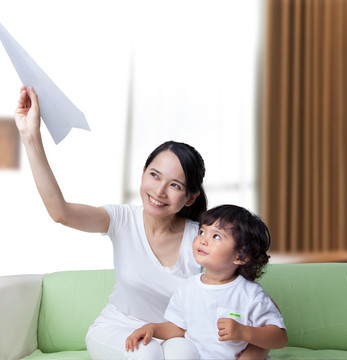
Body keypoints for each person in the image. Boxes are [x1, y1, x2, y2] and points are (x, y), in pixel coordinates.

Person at [15, 85, 271, 359]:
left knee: (184, 354)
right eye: (154, 175)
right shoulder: (121, 220)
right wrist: (31, 136)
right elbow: (60, 212)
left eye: (174, 184)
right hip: (117, 329)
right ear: (143, 174)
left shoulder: (203, 241)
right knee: (145, 353)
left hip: (174, 334)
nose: (159, 191)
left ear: (189, 198)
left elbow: (249, 303)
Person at [125, 204, 288, 359]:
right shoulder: (188, 288)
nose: (203, 240)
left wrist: (244, 332)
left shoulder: (250, 294)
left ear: (241, 256)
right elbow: (180, 328)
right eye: (202, 232)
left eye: (216, 236)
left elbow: (280, 338)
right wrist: (153, 328)